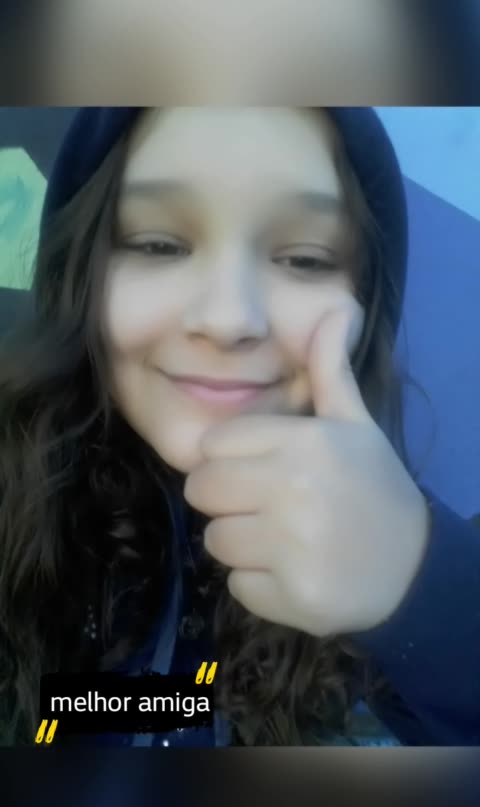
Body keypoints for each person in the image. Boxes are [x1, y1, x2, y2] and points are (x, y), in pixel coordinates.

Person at [0, 107, 478, 748]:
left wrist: (424, 591)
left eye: (304, 259)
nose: (228, 319)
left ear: (369, 305)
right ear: (79, 275)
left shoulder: (397, 535)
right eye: (158, 245)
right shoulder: (14, 482)